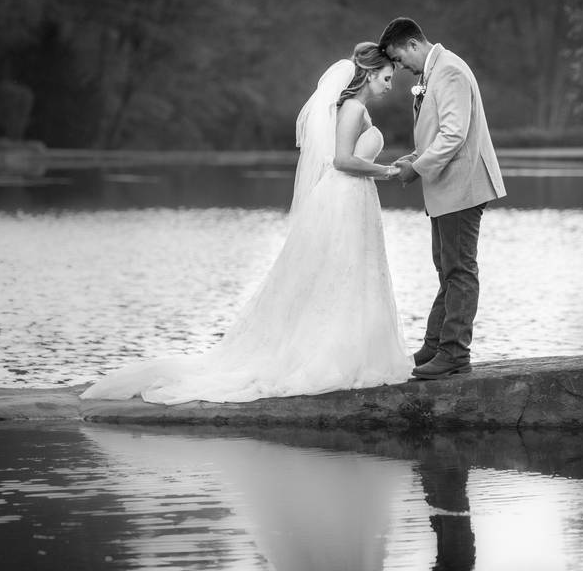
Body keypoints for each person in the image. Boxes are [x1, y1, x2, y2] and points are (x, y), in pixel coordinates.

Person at [80, 42, 410, 404]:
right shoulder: (353, 108)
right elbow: (343, 161)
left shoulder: (354, 108)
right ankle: (330, 356)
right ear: (369, 73)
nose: (390, 85)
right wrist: (388, 171)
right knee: (342, 274)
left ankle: (353, 349)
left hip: (352, 199)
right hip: (345, 196)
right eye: (387, 77)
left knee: (349, 276)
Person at [378, 17, 506, 380]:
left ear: (413, 45)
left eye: (399, 58)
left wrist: (416, 169)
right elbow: (438, 133)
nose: (400, 68)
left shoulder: (448, 71)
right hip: (448, 186)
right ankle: (435, 346)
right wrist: (413, 159)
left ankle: (454, 353)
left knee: (460, 270)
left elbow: (453, 135)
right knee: (447, 267)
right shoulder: (432, 73)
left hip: (462, 187)